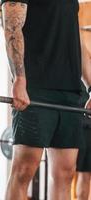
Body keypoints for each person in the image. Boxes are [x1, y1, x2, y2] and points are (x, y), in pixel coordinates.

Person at [2, 0, 90, 199]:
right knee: (24, 170)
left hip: (70, 92)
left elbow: (77, 44)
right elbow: (12, 27)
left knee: (65, 173)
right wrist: (19, 79)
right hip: (36, 88)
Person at [76, 41, 91, 200]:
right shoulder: (82, 71)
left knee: (84, 175)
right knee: (66, 174)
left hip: (85, 128)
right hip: (79, 126)